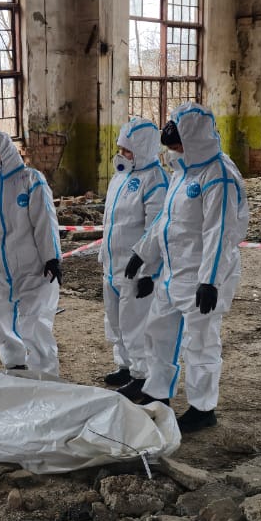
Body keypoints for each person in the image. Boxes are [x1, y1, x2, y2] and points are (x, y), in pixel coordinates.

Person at [123, 103, 250, 432]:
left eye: (179, 145)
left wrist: (209, 280)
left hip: (201, 274)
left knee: (201, 342)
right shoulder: (182, 171)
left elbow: (219, 232)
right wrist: (144, 253)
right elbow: (166, 221)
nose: (174, 150)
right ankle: (158, 392)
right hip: (172, 272)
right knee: (158, 332)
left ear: (194, 140)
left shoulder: (219, 175)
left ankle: (202, 407)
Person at [0, 130, 62, 376]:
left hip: (33, 267)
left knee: (34, 322)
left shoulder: (30, 178)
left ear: (6, 151)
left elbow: (44, 219)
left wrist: (52, 257)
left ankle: (45, 373)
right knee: (1, 317)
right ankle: (15, 364)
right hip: (1, 270)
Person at [101, 117, 169, 395]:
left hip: (137, 267)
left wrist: (149, 271)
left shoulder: (156, 180)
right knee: (116, 321)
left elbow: (156, 229)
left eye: (127, 151)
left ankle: (142, 377)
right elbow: (111, 221)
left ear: (143, 149)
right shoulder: (120, 177)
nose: (121, 155)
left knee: (135, 324)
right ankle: (126, 366)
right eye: (120, 149)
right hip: (113, 265)